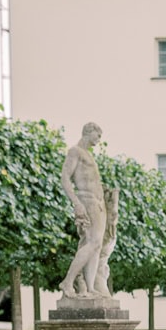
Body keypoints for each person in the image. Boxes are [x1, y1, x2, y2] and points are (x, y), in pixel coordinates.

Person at [59, 122, 107, 297]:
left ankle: (91, 286)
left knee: (96, 245)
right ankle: (68, 281)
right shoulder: (75, 151)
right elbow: (65, 179)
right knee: (92, 242)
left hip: (99, 203)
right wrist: (76, 203)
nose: (99, 139)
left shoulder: (89, 155)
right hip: (87, 200)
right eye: (98, 135)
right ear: (89, 131)